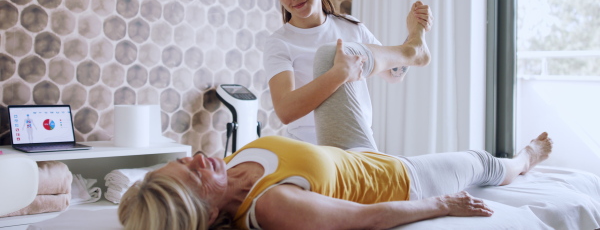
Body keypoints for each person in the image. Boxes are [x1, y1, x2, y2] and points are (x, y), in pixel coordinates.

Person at [117, 132, 553, 230]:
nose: (198, 158)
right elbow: (366, 217)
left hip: (365, 160)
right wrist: (444, 204)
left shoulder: (226, 168)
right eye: (194, 173)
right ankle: (524, 159)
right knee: (485, 164)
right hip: (408, 179)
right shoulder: (270, 206)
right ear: (209, 213)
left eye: (184, 159)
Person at [263, 0, 433, 149]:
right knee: (329, 55)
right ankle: (413, 49)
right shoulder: (279, 43)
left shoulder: (351, 27)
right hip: (308, 151)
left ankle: (413, 47)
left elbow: (394, 74)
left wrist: (415, 31)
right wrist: (338, 74)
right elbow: (285, 111)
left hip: (358, 145)